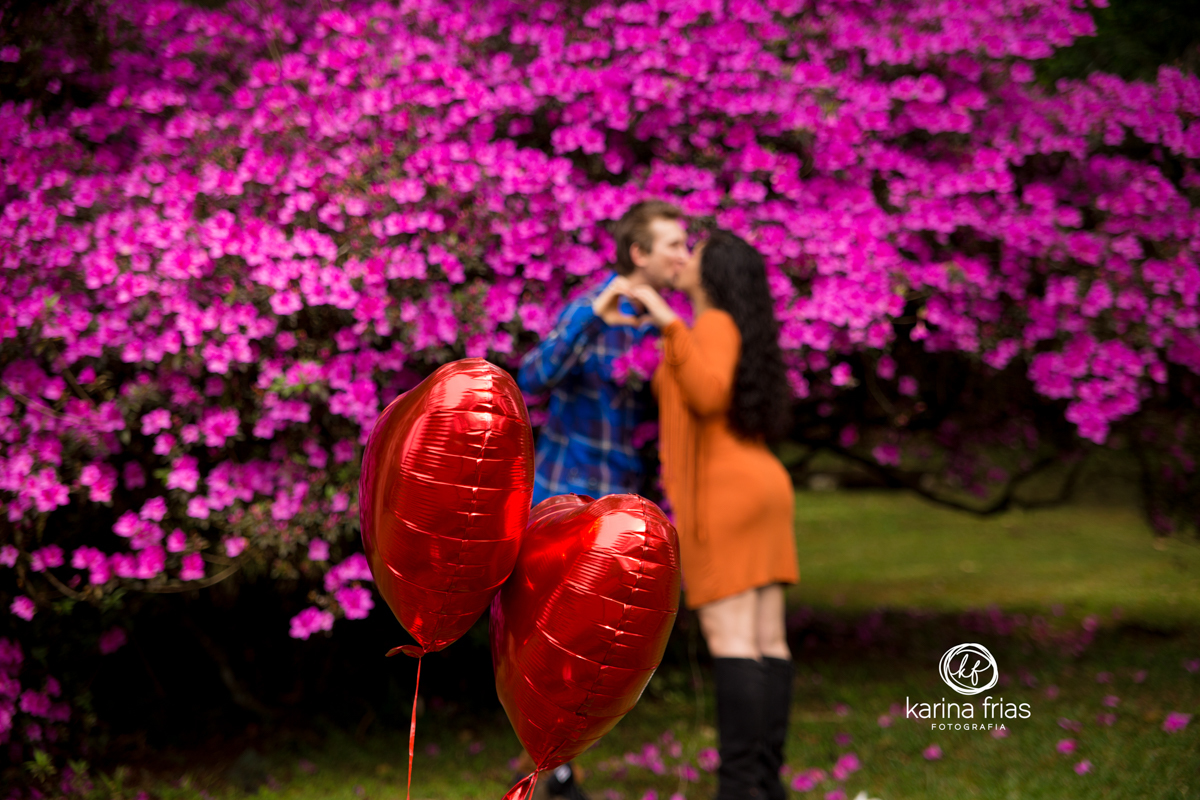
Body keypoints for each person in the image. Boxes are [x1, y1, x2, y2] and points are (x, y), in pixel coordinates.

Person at [513, 200, 689, 800]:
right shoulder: (591, 311)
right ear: (638, 253)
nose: (682, 256)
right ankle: (553, 770)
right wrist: (591, 316)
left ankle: (559, 764)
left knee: (595, 644)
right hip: (564, 498)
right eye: (672, 245)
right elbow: (532, 378)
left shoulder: (668, 322)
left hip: (625, 508)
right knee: (546, 638)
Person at [627, 230, 799, 800]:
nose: (684, 259)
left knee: (733, 642)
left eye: (693, 253)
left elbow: (705, 395)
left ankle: (739, 789)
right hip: (758, 487)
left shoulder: (713, 326)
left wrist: (661, 317)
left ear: (714, 272)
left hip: (726, 496)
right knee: (765, 642)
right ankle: (764, 787)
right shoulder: (721, 329)